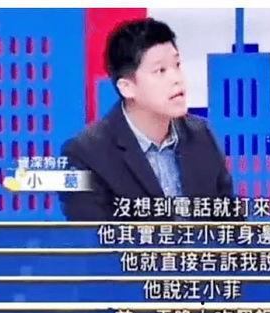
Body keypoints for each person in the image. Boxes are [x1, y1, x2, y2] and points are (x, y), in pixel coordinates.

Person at [59, 17, 236, 221]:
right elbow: (93, 238)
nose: (177, 79)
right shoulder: (86, 155)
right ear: (127, 87)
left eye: (177, 65)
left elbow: (231, 226)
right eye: (160, 70)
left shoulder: (201, 136)